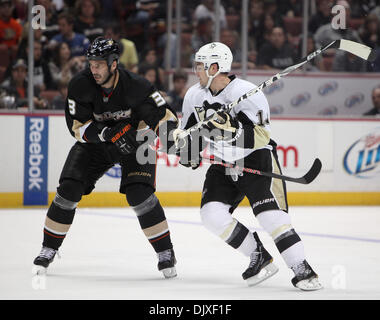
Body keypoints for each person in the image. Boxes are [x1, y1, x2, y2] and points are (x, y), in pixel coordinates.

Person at [172, 42, 322, 291]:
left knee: (270, 217)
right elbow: (190, 132)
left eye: (200, 65)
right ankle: (259, 256)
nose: (195, 70)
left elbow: (261, 136)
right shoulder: (193, 95)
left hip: (256, 158)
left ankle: (302, 268)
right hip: (222, 163)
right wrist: (188, 151)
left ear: (215, 67)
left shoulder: (248, 92)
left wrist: (232, 131)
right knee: (211, 215)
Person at [32, 37, 178, 279]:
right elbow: (78, 128)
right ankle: (48, 248)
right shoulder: (80, 85)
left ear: (113, 64)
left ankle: (166, 252)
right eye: (91, 64)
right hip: (95, 145)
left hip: (135, 143)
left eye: (99, 64)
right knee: (68, 189)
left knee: (140, 195)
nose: (94, 69)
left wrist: (170, 134)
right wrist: (107, 133)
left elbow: (164, 116)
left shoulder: (138, 86)